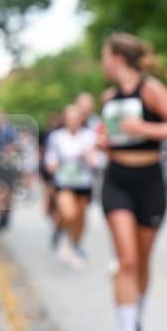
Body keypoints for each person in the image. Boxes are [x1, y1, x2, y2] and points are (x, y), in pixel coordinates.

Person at [98, 33, 167, 331]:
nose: (102, 63)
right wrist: (103, 143)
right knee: (128, 260)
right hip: (116, 180)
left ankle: (135, 318)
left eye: (104, 56)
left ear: (118, 58)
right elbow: (109, 137)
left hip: (149, 182)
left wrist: (144, 129)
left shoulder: (151, 90)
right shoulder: (108, 98)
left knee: (143, 263)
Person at [45, 103, 100, 269]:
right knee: (70, 214)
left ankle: (74, 244)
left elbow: (97, 160)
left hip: (84, 182)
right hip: (64, 182)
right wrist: (52, 165)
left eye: (76, 117)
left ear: (81, 118)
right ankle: (62, 229)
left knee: (81, 217)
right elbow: (50, 159)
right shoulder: (57, 137)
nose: (73, 120)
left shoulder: (90, 136)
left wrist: (90, 158)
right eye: (70, 117)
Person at [39, 110, 65, 248]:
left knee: (60, 202)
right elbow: (41, 150)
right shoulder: (46, 132)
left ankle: (59, 224)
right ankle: (54, 218)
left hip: (62, 174)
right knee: (51, 198)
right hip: (47, 171)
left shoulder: (62, 133)